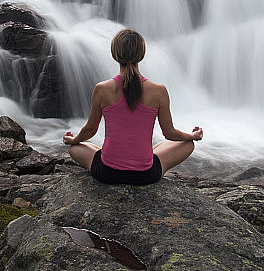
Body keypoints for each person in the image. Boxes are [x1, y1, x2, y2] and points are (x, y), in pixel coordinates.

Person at [62, 29, 203, 185]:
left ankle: (129, 155)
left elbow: (90, 130)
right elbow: (170, 133)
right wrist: (192, 136)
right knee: (186, 144)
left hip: (107, 173)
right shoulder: (159, 91)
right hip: (146, 175)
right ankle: (144, 156)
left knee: (75, 148)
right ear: (141, 55)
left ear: (115, 54)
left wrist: (73, 139)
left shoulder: (102, 89)